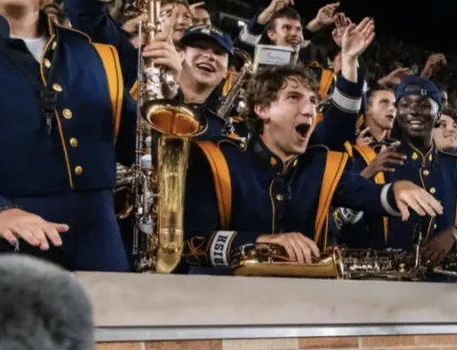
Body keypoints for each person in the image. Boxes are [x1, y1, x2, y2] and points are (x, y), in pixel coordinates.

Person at [181, 65, 440, 269]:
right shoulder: (218, 161)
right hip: (224, 305)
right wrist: (263, 241)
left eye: (314, 101)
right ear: (262, 109)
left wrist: (397, 189)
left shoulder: (320, 165)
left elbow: (366, 194)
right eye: (293, 98)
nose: (308, 110)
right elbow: (191, 244)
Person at [0, 0, 137, 272]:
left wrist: (168, 92)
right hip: (5, 249)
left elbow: (135, 150)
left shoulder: (94, 54)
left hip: (103, 250)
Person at [379, 76, 457, 264]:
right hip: (386, 283)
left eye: (423, 105)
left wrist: (456, 236)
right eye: (405, 105)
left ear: (438, 116)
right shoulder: (378, 161)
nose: (413, 111)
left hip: (445, 284)